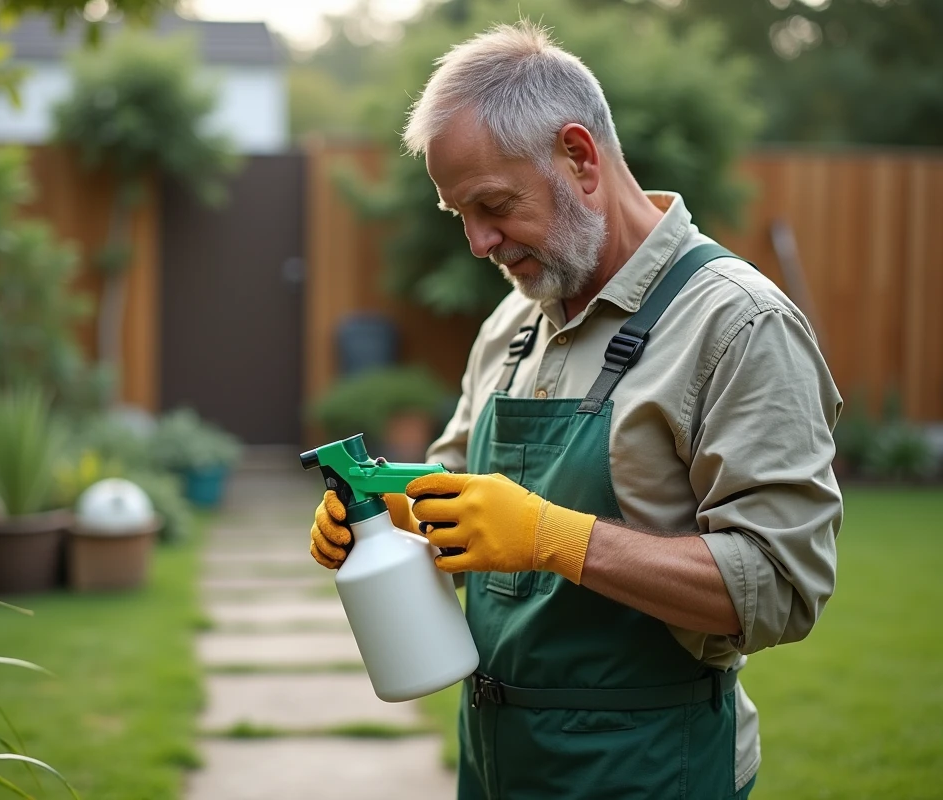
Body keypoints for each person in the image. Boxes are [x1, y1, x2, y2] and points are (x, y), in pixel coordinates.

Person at [309, 20, 843, 800]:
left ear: (580, 158)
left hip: (651, 768)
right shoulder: (514, 323)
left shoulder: (737, 324)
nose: (477, 241)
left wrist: (553, 537)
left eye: (492, 205)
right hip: (496, 766)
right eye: (458, 213)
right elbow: (461, 496)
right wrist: (383, 523)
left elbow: (781, 585)